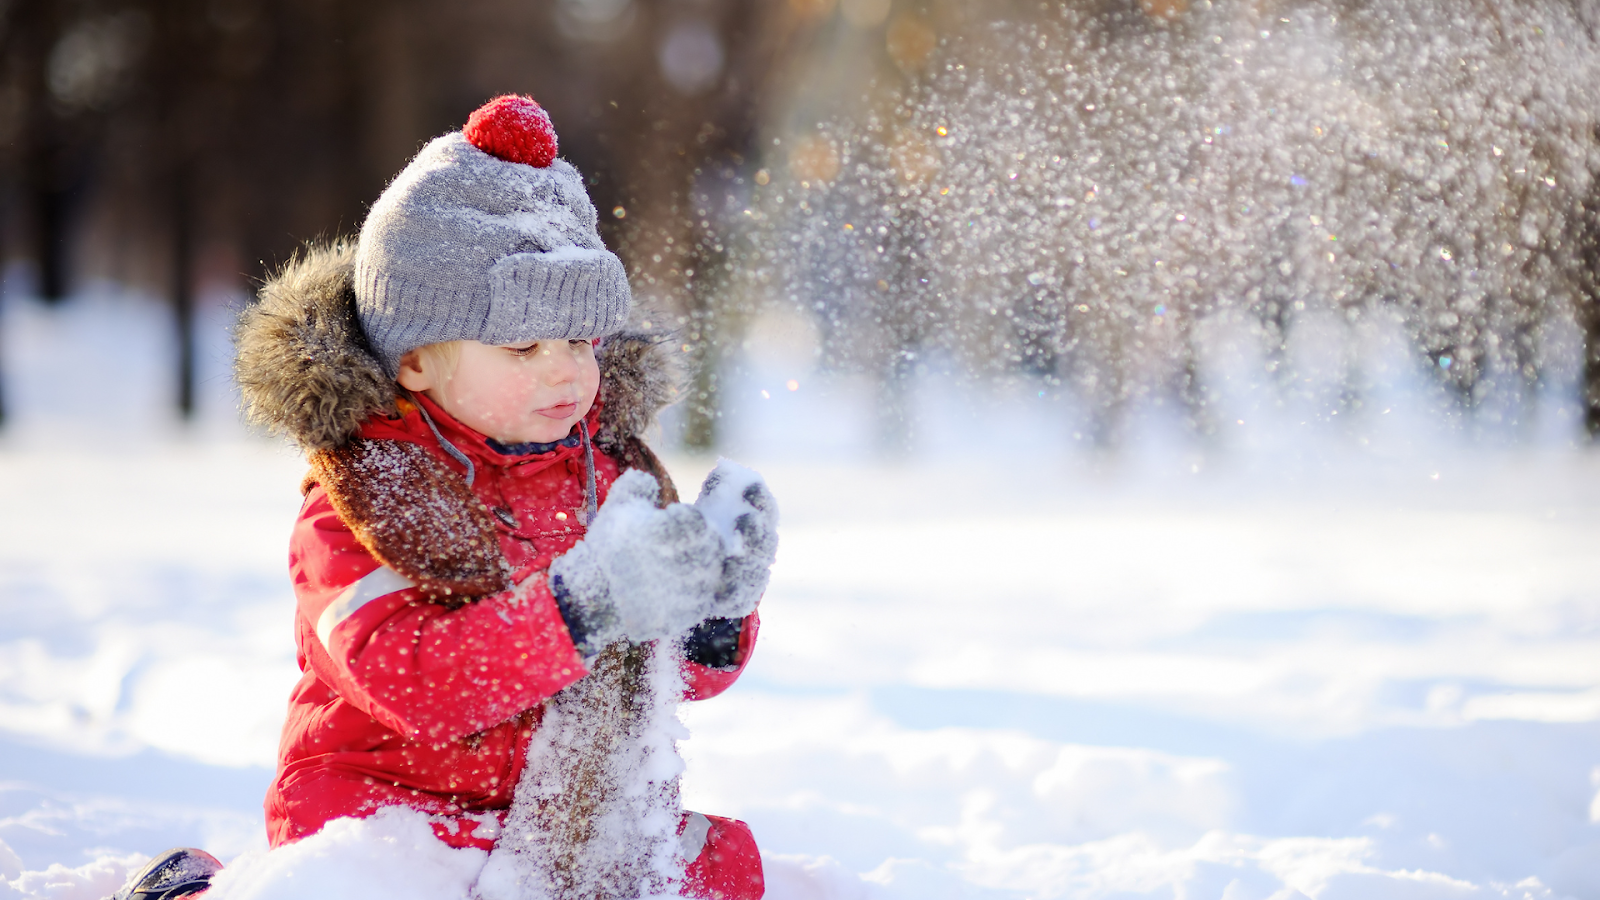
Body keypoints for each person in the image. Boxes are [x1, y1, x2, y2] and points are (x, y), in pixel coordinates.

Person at [110, 95, 772, 900]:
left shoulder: (601, 475)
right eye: (524, 345)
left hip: (553, 822)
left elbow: (653, 679)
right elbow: (412, 680)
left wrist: (712, 616)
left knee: (719, 870)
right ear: (416, 360)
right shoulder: (358, 501)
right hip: (388, 817)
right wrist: (583, 607)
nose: (565, 370)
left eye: (580, 341)